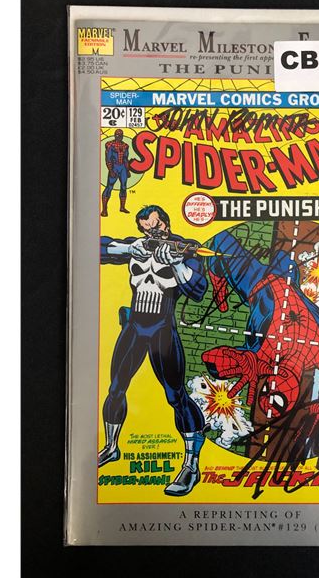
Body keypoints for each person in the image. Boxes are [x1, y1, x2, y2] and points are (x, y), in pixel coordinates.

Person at [98, 205, 208, 497]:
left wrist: (177, 264)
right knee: (115, 389)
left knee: (176, 397)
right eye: (145, 229)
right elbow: (93, 248)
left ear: (166, 224)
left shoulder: (184, 250)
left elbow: (198, 290)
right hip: (135, 328)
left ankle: (191, 465)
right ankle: (111, 446)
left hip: (162, 330)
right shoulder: (138, 246)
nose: (152, 234)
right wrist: (128, 248)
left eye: (156, 227)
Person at [101, 129, 131, 216]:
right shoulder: (110, 145)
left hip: (123, 168)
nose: (119, 137)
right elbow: (108, 159)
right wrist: (111, 170)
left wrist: (127, 170)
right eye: (117, 135)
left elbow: (125, 159)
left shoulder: (125, 146)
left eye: (120, 135)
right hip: (114, 167)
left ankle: (122, 207)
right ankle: (104, 210)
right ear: (115, 135)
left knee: (123, 187)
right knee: (109, 187)